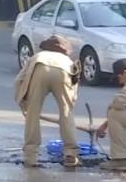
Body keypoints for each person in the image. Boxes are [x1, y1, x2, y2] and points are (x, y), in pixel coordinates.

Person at [14, 35, 82, 168]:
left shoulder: (38, 56)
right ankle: (71, 154)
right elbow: (74, 86)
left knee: (32, 114)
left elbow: (19, 79)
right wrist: (70, 102)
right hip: (64, 71)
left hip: (40, 68)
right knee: (66, 113)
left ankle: (31, 156)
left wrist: (22, 102)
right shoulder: (67, 60)